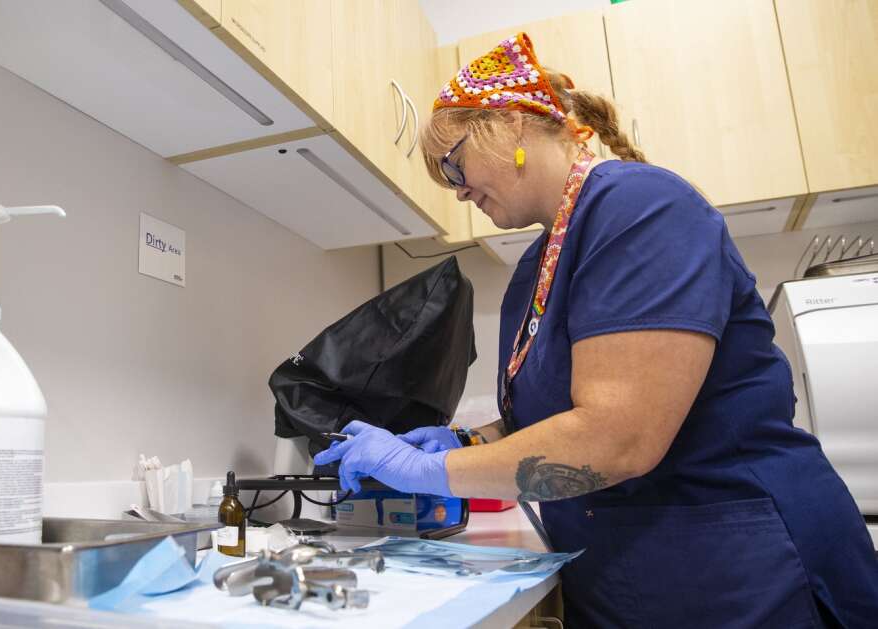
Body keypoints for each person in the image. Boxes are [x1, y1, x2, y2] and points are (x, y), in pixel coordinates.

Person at [314, 33, 878, 628]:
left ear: (511, 124)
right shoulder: (539, 262)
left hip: (738, 567)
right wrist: (467, 442)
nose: (456, 189)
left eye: (454, 164)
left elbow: (617, 437)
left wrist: (430, 472)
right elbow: (558, 408)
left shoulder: (640, 205)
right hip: (631, 567)